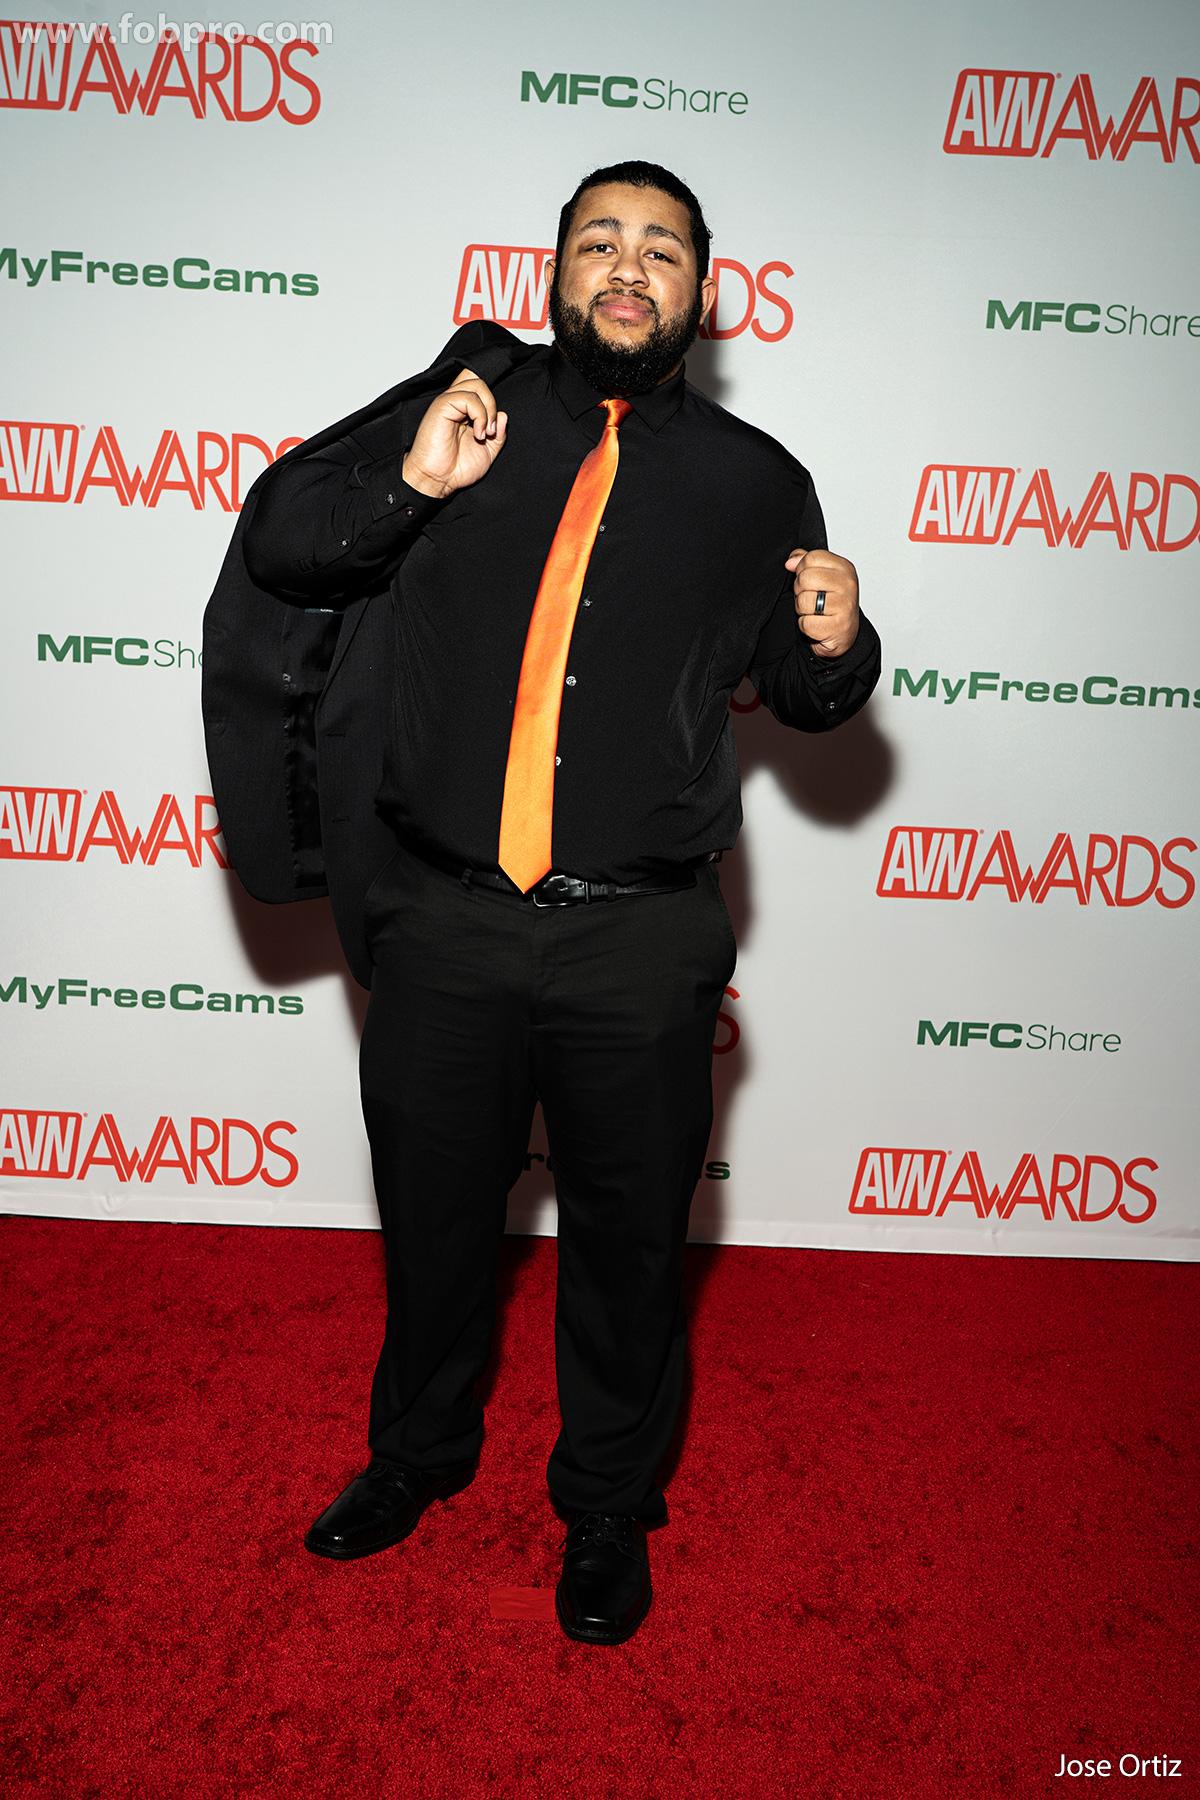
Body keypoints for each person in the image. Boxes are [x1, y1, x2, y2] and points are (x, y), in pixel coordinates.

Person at [202, 159, 880, 1646]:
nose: (630, 268)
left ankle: (609, 1507)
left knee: (631, 1249)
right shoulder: (470, 404)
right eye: (600, 242)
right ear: (554, 271)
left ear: (704, 291)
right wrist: (415, 481)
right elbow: (284, 542)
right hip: (444, 918)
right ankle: (415, 1455)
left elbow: (803, 690)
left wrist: (841, 645)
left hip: (641, 934)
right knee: (434, 1221)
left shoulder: (759, 482)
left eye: (662, 249)